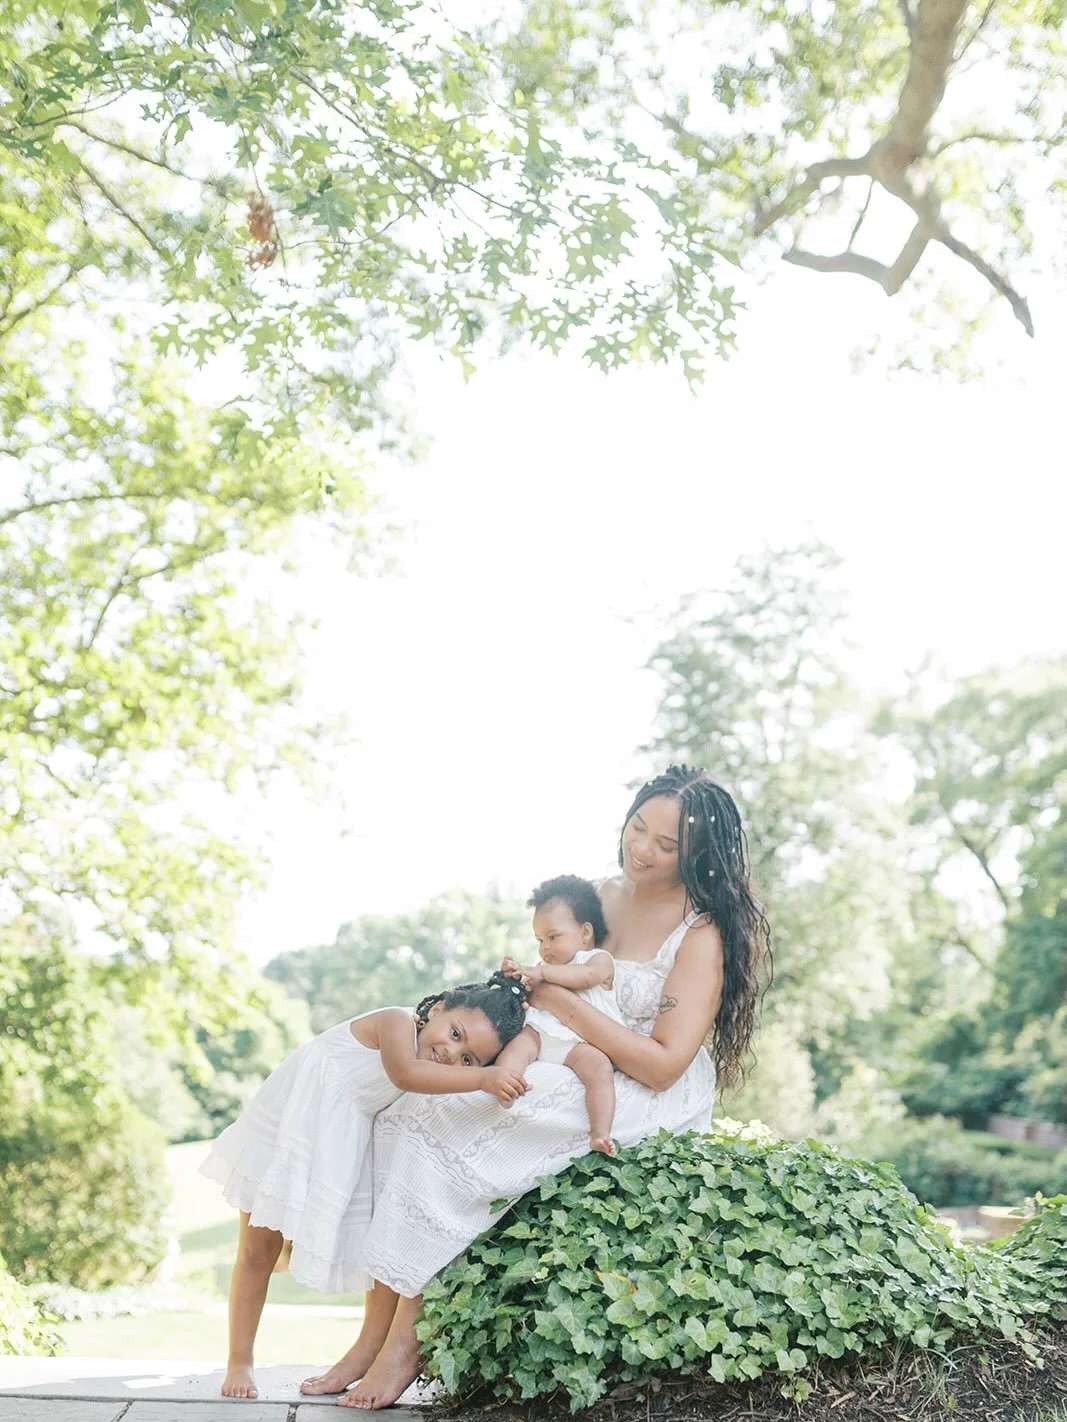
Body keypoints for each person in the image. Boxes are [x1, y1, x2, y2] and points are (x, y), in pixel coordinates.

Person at [303, 764, 771, 1410]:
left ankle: (404, 1344)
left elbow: (662, 1064)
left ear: (700, 856)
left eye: (665, 846)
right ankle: (370, 1335)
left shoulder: (702, 932)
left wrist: (561, 1003)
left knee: (450, 1123)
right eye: (637, 828)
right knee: (410, 1109)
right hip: (565, 1049)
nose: (640, 850)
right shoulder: (599, 897)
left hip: (637, 1086)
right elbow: (551, 977)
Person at [199, 973, 530, 1399]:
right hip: (292, 1125)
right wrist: (484, 1078)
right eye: (454, 1032)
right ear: (434, 1010)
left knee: (347, 1240)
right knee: (255, 1251)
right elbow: (404, 1073)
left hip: (338, 1136)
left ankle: (360, 1340)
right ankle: (240, 1362)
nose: (451, 1052)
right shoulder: (394, 1022)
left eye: (468, 1059)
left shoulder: (432, 1071)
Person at [498, 874, 625, 1157]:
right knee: (519, 1043)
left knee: (600, 1071)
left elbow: (586, 977)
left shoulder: (597, 960)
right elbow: (527, 989)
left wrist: (541, 972)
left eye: (553, 937)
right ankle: (504, 1084)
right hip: (542, 1034)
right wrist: (516, 974)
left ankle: (600, 1133)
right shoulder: (543, 966)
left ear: (585, 933)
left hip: (582, 1044)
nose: (544, 947)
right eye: (540, 939)